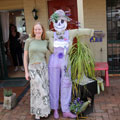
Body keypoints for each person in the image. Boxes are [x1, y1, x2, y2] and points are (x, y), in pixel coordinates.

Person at [46, 9, 94, 119]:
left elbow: (80, 31)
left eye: (62, 21)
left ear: (66, 21)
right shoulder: (50, 34)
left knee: (66, 84)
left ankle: (65, 109)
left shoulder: (70, 33)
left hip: (65, 61)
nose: (59, 23)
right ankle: (55, 109)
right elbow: (38, 35)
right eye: (57, 21)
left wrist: (92, 31)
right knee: (53, 84)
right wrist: (28, 38)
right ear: (53, 22)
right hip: (54, 61)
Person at [24, 22, 50, 120]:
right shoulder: (29, 41)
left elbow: (51, 51)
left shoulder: (45, 42)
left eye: (39, 29)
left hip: (43, 67)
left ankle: (45, 111)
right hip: (32, 68)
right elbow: (25, 57)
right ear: (33, 31)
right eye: (36, 29)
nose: (37, 31)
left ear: (42, 30)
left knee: (43, 89)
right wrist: (26, 72)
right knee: (39, 90)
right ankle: (38, 111)